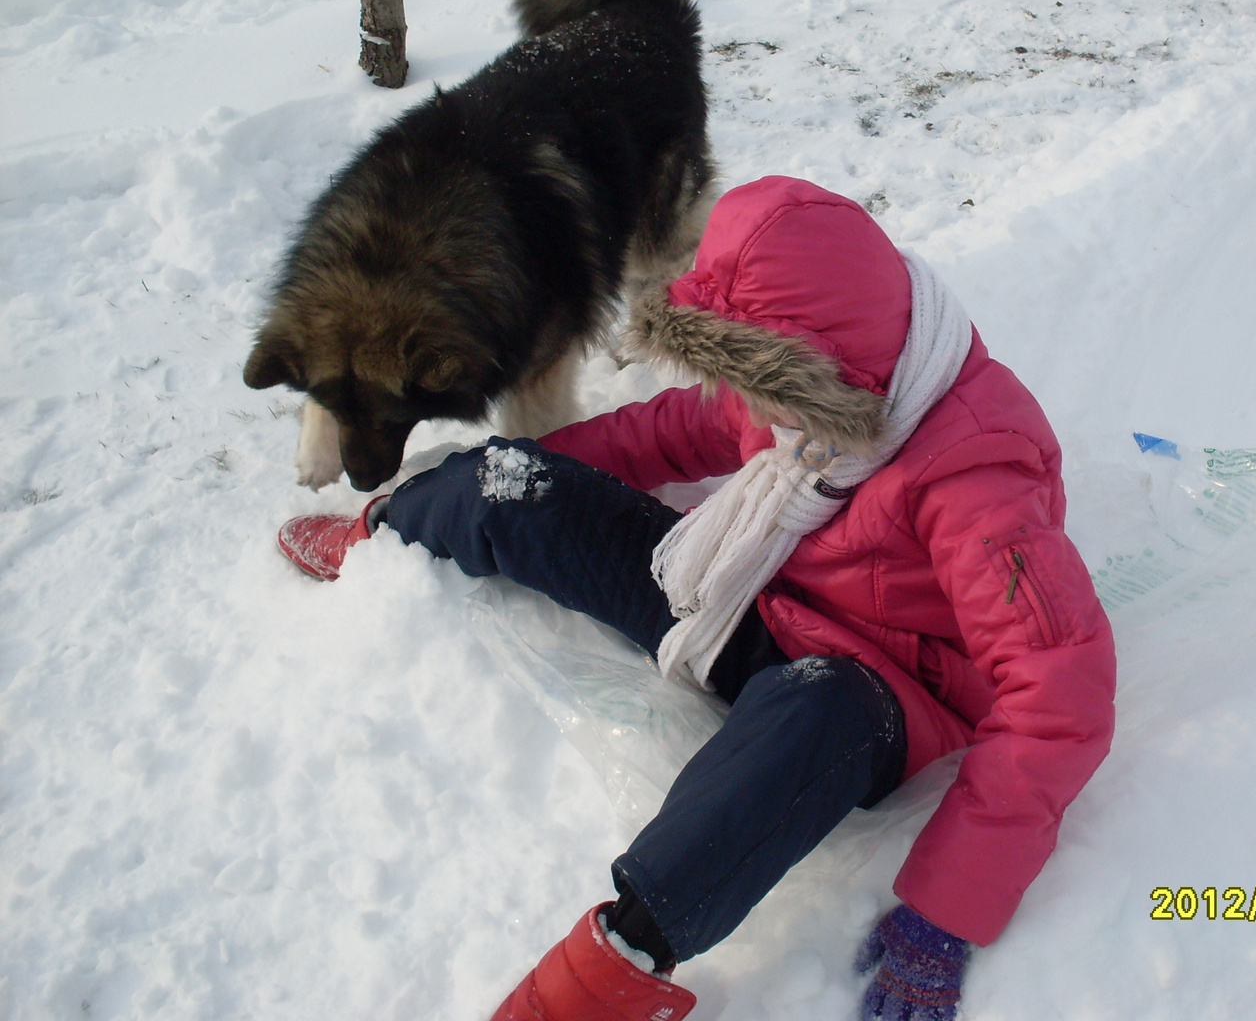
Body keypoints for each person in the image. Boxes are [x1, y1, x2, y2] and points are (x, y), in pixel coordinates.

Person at [275, 177, 1116, 1021]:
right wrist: (554, 491)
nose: (743, 405)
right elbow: (661, 432)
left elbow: (1060, 691)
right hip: (745, 589)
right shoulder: (806, 383)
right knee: (514, 482)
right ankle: (385, 533)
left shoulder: (974, 473)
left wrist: (948, 907)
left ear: (822, 372)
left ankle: (617, 965)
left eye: (755, 383)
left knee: (811, 715)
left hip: (878, 686)